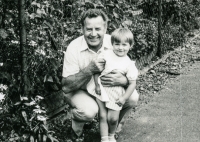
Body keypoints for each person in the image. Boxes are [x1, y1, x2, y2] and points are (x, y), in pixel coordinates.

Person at [61, 9, 139, 139]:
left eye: (97, 29)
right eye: (89, 29)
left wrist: (123, 81)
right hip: (81, 90)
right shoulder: (73, 47)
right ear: (82, 29)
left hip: (106, 90)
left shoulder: (115, 41)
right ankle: (76, 129)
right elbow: (66, 87)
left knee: (132, 97)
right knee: (88, 111)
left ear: (105, 27)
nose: (93, 34)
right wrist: (89, 70)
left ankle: (111, 128)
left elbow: (129, 69)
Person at [86, 28, 138, 142]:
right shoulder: (106, 54)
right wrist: (97, 85)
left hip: (116, 94)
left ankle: (111, 134)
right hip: (102, 89)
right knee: (103, 116)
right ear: (112, 44)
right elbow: (96, 71)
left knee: (113, 119)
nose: (120, 47)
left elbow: (132, 84)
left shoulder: (128, 63)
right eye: (117, 44)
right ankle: (104, 139)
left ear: (130, 45)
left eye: (124, 45)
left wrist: (124, 98)